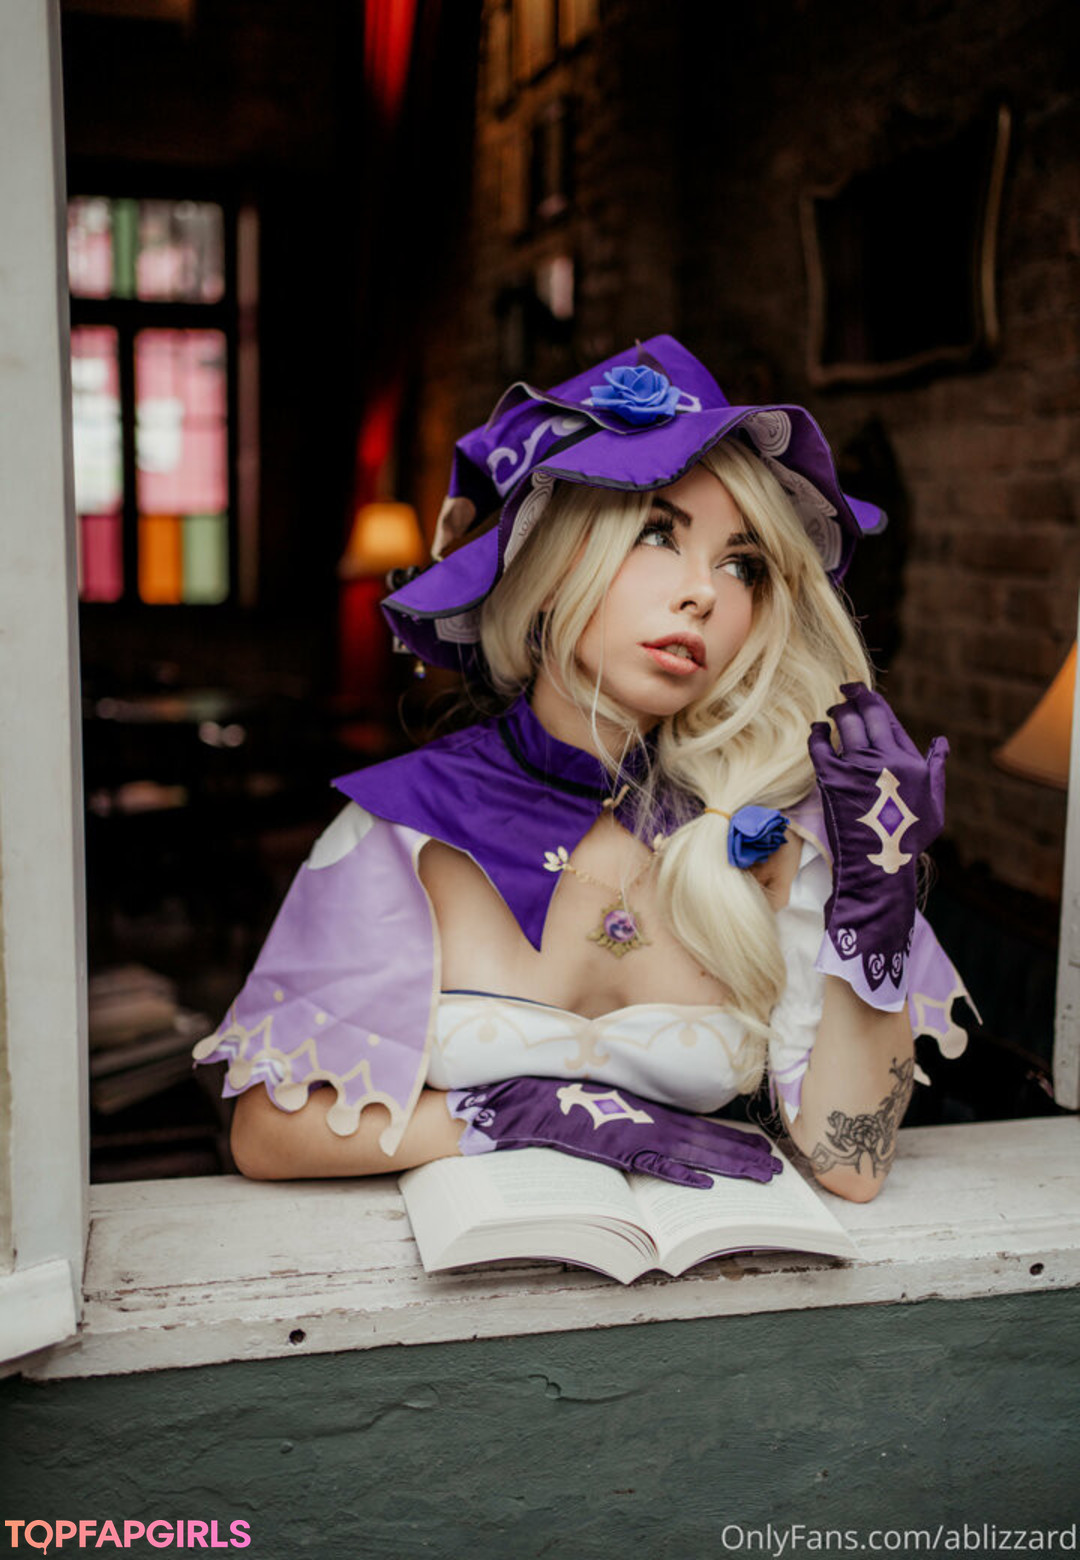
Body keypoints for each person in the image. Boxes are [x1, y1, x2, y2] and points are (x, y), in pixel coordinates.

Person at [194, 335, 970, 1203]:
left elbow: (850, 1163)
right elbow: (268, 1131)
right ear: (554, 561)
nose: (705, 593)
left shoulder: (777, 834)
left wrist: (878, 906)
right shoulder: (404, 830)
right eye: (657, 534)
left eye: (742, 565)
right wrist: (513, 1112)